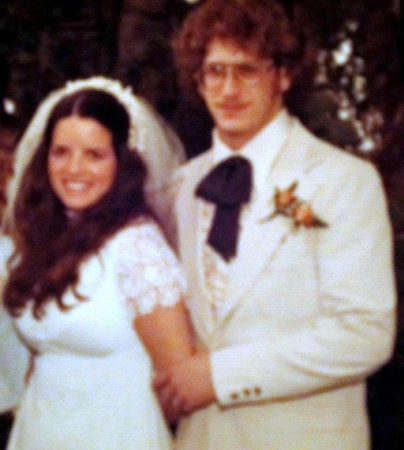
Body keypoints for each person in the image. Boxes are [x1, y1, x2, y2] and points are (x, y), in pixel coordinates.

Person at [153, 1, 397, 449]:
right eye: (215, 71)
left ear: (283, 76)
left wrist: (222, 375)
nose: (229, 89)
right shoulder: (182, 187)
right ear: (198, 80)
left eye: (247, 70)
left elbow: (366, 332)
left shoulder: (343, 181)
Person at [0, 77, 193, 449]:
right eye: (61, 152)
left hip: (115, 432)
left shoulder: (137, 246)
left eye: (94, 154)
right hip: (41, 427)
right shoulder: (41, 238)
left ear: (122, 162)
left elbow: (178, 376)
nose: (74, 169)